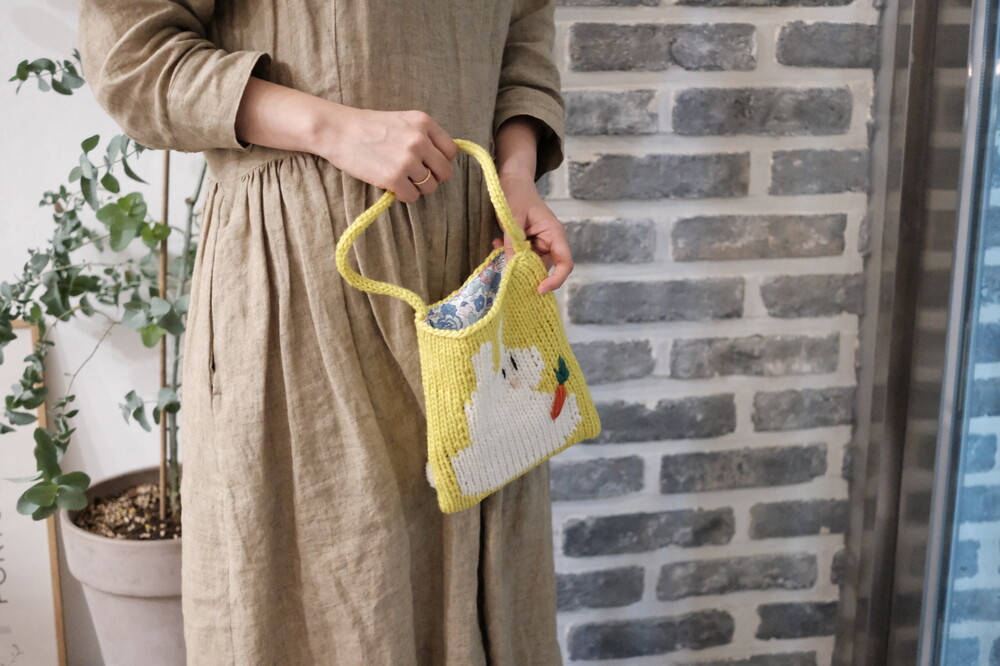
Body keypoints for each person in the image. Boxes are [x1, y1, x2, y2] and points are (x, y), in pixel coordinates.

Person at [77, 0, 572, 664]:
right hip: (309, 288)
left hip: (476, 279)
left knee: (485, 581)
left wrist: (516, 176)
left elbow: (523, 31)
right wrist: (331, 127)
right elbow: (131, 57)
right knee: (335, 595)